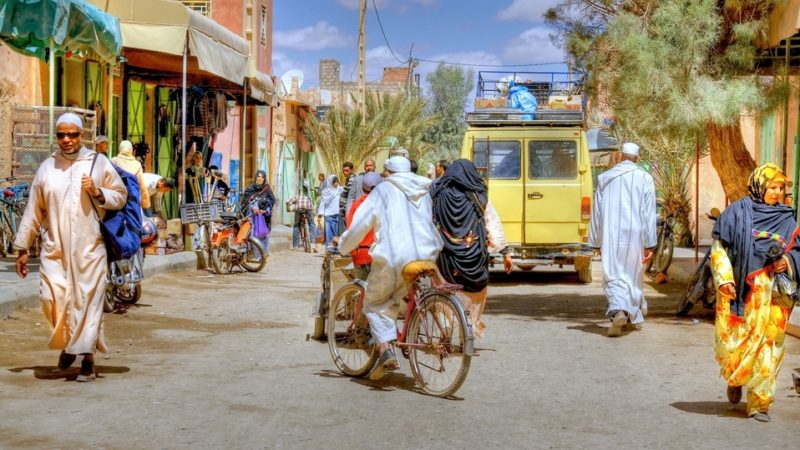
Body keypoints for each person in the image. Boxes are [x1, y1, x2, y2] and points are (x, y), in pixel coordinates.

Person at [13, 112, 127, 382]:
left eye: (72, 134)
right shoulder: (46, 168)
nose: (66, 140)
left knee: (87, 302)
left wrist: (99, 191)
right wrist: (22, 248)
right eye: (61, 135)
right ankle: (69, 344)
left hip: (90, 248)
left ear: (81, 135)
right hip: (55, 250)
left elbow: (120, 196)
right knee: (51, 298)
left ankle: (86, 356)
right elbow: (33, 210)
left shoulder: (98, 163)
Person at [336, 156, 443, 381]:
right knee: (397, 294)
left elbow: (360, 225)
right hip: (426, 253)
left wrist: (345, 246)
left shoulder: (382, 192)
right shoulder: (423, 189)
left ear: (387, 172)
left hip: (395, 256)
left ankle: (386, 350)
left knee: (373, 303)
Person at [710, 163, 800, 423]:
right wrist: (724, 279)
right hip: (740, 293)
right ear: (759, 186)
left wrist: (788, 262)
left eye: (780, 188)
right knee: (736, 345)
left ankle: (760, 402)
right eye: (772, 187)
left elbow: (798, 250)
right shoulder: (736, 213)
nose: (776, 192)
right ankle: (737, 378)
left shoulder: (788, 219)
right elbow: (718, 248)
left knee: (770, 346)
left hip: (773, 298)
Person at [431, 159, 513, 338]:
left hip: (446, 260)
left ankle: (446, 328)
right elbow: (493, 225)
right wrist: (505, 253)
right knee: (476, 293)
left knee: (442, 293)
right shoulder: (479, 197)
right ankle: (471, 327)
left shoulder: (438, 195)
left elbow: (428, 223)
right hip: (474, 260)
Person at [588, 142, 657, 337]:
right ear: (637, 159)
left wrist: (595, 241)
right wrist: (650, 242)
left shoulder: (605, 178)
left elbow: (597, 213)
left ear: (621, 156)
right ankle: (630, 316)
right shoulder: (645, 178)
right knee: (632, 276)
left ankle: (619, 311)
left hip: (611, 234)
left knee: (613, 274)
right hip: (635, 235)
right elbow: (649, 213)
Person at [344, 171, 383, 280]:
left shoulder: (356, 205)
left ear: (362, 187)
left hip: (360, 253)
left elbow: (350, 229)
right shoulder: (385, 204)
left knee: (361, 287)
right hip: (380, 255)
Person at [240, 170, 275, 253]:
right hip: (252, 217)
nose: (260, 179)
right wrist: (252, 207)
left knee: (264, 234)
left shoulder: (267, 189)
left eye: (262, 177)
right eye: (258, 177)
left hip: (264, 217)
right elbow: (244, 202)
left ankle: (264, 253)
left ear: (264, 179)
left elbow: (272, 200)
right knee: (253, 235)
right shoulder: (250, 189)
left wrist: (265, 210)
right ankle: (254, 253)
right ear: (255, 178)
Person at [111, 140, 151, 210]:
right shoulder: (137, 164)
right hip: (131, 200)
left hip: (117, 198)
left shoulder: (114, 161)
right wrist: (145, 203)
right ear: (131, 150)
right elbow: (142, 185)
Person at [287, 186, 317, 250]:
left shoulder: (297, 196)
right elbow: (312, 206)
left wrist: (288, 208)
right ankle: (312, 242)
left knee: (296, 225)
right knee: (312, 224)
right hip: (308, 209)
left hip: (299, 209)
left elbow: (288, 201)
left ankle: (295, 245)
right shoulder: (309, 197)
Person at [338, 161, 355, 229]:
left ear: (352, 170)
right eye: (344, 171)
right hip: (345, 210)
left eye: (347, 170)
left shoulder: (352, 180)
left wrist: (346, 210)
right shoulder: (348, 179)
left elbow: (351, 196)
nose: (345, 172)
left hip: (347, 210)